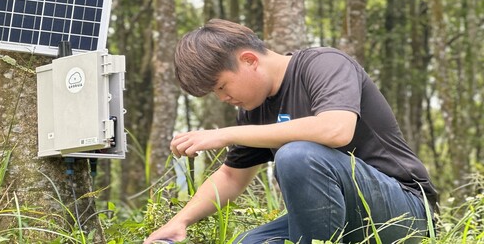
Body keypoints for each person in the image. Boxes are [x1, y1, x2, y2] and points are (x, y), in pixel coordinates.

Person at [143, 19, 438, 244]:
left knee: (297, 154)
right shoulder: (254, 110)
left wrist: (226, 133)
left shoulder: (324, 64)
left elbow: (336, 129)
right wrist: (179, 221)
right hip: (337, 218)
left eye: (221, 86)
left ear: (249, 60)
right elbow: (232, 176)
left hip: (406, 210)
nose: (223, 98)